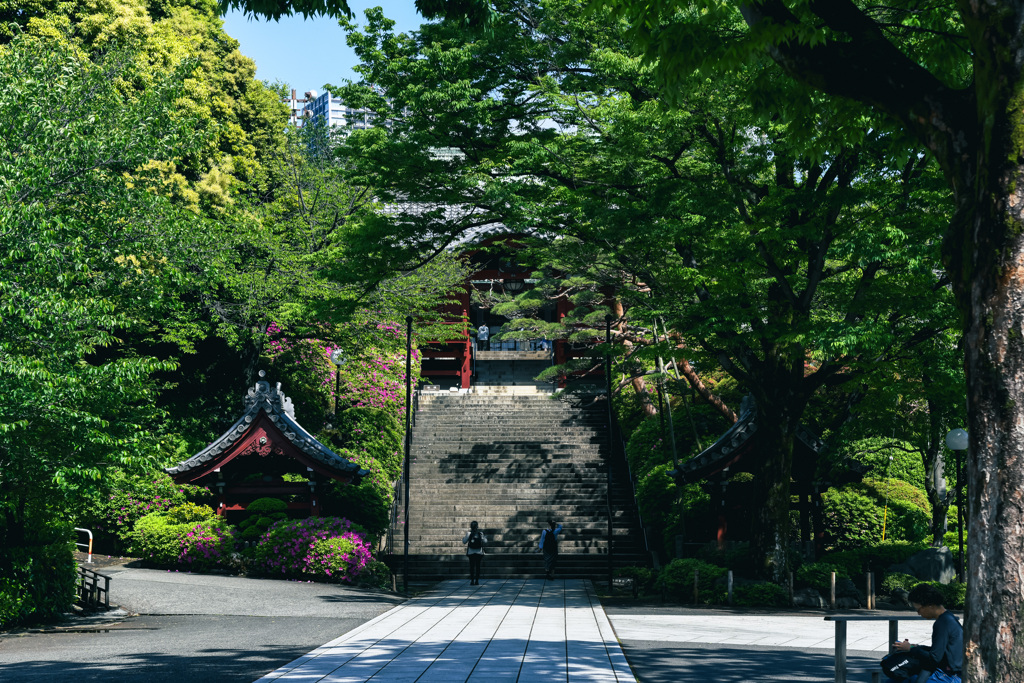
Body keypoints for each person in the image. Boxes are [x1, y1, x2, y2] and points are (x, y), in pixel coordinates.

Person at [887, 584, 963, 682]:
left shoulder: (942, 623)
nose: (918, 613)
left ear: (930, 605)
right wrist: (916, 647)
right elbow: (940, 651)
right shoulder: (948, 618)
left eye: (919, 609)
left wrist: (910, 649)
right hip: (954, 673)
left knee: (897, 679)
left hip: (949, 676)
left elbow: (934, 658)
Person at [462, 521, 486, 585]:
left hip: (471, 552)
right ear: (477, 526)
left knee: (472, 567)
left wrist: (463, 538)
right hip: (479, 552)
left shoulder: (469, 533)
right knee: (478, 566)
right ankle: (477, 581)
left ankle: (472, 580)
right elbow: (485, 541)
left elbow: (464, 542)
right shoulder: (480, 533)